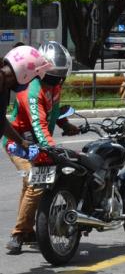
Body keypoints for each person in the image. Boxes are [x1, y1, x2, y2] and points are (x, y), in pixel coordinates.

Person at [4, 41, 79, 254]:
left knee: (30, 185)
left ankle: (27, 230)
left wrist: (65, 123)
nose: (58, 79)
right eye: (53, 74)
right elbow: (39, 124)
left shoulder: (54, 86)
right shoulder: (31, 90)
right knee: (34, 182)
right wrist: (51, 148)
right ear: (40, 69)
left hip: (37, 142)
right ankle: (18, 234)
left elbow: (51, 111)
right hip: (17, 142)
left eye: (61, 75)